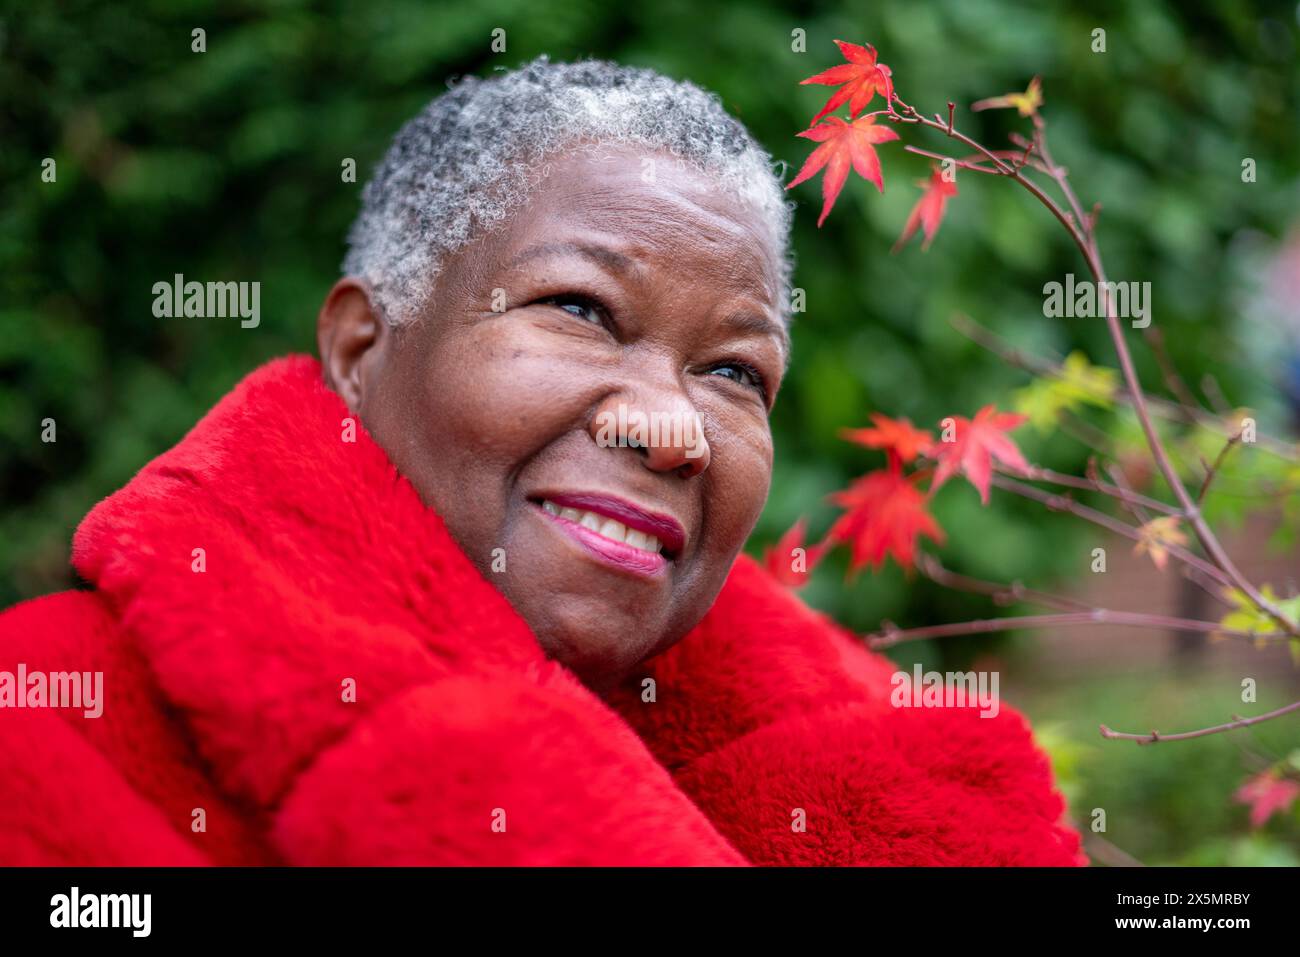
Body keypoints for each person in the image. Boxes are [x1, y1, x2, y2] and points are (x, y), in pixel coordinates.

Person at [0, 57, 1084, 866]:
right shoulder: (46, 727)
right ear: (361, 348)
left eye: (735, 374)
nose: (671, 428)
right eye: (580, 309)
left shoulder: (878, 771)